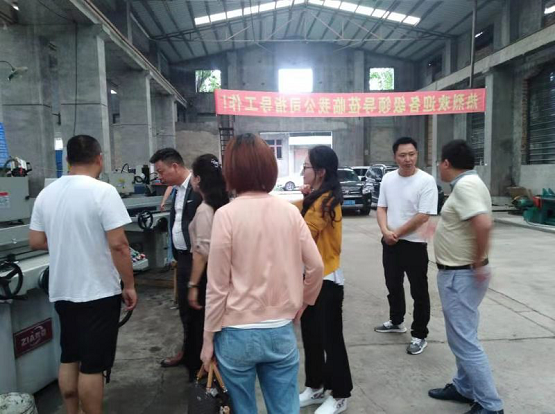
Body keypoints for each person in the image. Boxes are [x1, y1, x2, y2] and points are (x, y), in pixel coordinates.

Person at [200, 133, 324, 414]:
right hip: (279, 330)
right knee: (285, 408)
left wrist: (207, 339)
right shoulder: (290, 212)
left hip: (235, 333)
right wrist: (303, 303)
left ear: (232, 170)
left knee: (241, 408)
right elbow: (316, 266)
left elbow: (217, 285)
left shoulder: (226, 215)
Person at [29, 135, 138, 414]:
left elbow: (36, 241)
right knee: (92, 365)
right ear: (99, 158)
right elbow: (119, 245)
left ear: (67, 160)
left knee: (70, 355)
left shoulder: (47, 193)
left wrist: (66, 239)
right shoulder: (103, 191)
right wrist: (129, 284)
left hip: (62, 290)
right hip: (97, 291)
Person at [428, 140, 504, 414]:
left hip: (460, 275)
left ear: (447, 163)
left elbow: (483, 223)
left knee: (464, 342)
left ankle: (490, 405)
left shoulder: (466, 186)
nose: (439, 166)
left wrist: (479, 261)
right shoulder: (469, 183)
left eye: (440, 162)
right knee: (462, 336)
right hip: (459, 274)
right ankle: (464, 387)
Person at [296, 146, 353, 414]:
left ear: (320, 172)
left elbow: (303, 233)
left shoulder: (326, 201)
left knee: (331, 340)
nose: (303, 171)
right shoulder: (317, 198)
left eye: (306, 166)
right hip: (310, 278)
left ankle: (340, 394)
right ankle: (315, 386)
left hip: (327, 280)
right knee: (311, 336)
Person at [375, 136, 438, 355]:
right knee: (393, 284)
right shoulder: (388, 179)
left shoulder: (426, 181)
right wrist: (385, 232)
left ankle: (419, 334)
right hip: (390, 243)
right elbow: (381, 208)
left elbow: (423, 215)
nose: (408, 159)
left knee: (418, 291)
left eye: (411, 154)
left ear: (417, 154)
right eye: (402, 155)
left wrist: (396, 233)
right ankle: (396, 321)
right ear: (395, 157)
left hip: (414, 245)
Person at [149, 148, 202, 370]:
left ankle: (202, 358)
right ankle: (188, 351)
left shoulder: (198, 188)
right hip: (182, 259)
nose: (160, 177)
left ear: (175, 166)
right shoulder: (176, 190)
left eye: (161, 171)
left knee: (199, 309)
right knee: (184, 308)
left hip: (198, 259)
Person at [184, 154, 229, 377]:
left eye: (193, 175)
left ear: (199, 179)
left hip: (206, 277)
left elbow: (201, 254)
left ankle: (205, 374)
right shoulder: (224, 205)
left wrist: (192, 285)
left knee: (202, 326)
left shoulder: (204, 210)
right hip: (224, 275)